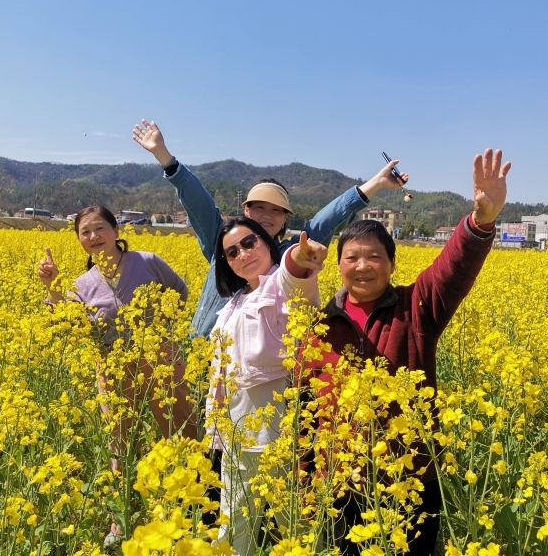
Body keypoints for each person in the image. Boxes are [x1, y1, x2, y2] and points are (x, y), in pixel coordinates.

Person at [300, 149, 511, 555]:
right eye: (352, 257)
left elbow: (452, 268)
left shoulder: (417, 307)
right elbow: (306, 409)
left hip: (411, 480)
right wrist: (306, 480)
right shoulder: (319, 326)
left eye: (374, 257)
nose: (363, 266)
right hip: (343, 483)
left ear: (392, 265)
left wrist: (480, 221)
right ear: (338, 265)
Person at [132, 119, 409, 339]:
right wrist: (164, 156)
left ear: (285, 219)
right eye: (259, 208)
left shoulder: (288, 255)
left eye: (276, 210)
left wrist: (375, 183)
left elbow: (328, 219)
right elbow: (198, 201)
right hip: (203, 360)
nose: (267, 216)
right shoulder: (223, 242)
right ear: (246, 210)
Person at [36, 205, 193, 548]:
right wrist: (53, 287)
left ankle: (191, 503)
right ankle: (121, 518)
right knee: (119, 441)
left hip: (161, 358)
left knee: (180, 428)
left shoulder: (147, 261)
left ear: (116, 230)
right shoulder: (81, 284)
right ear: (79, 240)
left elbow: (179, 292)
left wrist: (167, 331)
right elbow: (66, 324)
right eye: (85, 232)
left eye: (99, 228)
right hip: (110, 366)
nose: (93, 237)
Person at [208, 216, 328, 556]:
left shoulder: (278, 285)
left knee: (294, 524)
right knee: (233, 523)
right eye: (231, 252)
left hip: (278, 432)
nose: (242, 254)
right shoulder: (233, 302)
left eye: (249, 243)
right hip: (236, 431)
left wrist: (298, 259)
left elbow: (295, 275)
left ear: (266, 242)